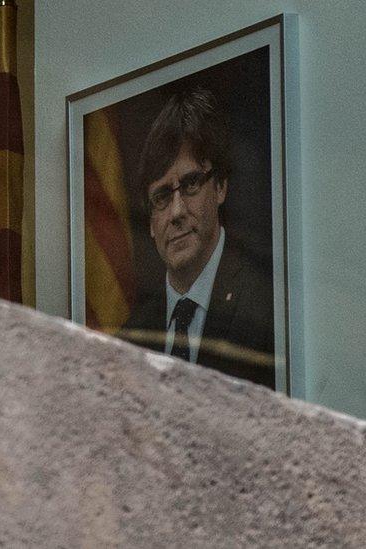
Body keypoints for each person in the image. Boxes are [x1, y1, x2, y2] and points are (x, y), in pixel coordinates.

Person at [118, 87, 275, 389]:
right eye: (161, 197)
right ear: (150, 222)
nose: (176, 212)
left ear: (220, 187)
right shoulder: (130, 337)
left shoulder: (269, 307)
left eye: (190, 184)